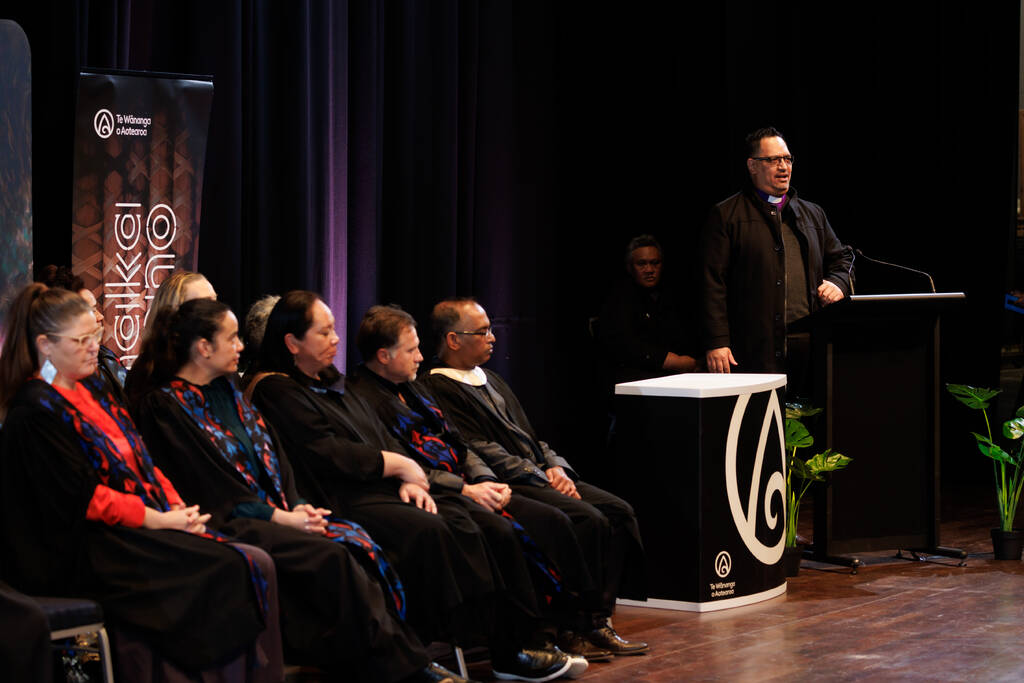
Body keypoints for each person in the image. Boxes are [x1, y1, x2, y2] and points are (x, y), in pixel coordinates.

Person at [130, 298, 472, 683]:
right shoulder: (167, 406)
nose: (241, 346)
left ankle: (391, 661)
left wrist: (299, 505)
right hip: (230, 520)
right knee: (333, 556)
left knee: (355, 541)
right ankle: (405, 668)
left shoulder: (229, 393)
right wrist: (280, 516)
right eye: (231, 339)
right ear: (204, 347)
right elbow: (209, 485)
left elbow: (278, 460)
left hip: (278, 512)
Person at [247, 291, 575, 682]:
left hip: (387, 484)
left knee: (489, 523)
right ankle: (424, 656)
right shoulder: (277, 389)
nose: (337, 338)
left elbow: (378, 434)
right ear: (292, 342)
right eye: (325, 332)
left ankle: (514, 645)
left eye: (334, 330)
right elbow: (327, 452)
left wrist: (412, 476)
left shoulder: (333, 380)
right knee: (434, 529)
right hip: (342, 495)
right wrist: (399, 465)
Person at [0, 284, 282, 681]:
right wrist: (158, 521)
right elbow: (84, 499)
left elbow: (142, 461)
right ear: (45, 345)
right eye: (80, 340)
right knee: (226, 567)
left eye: (93, 337)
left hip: (125, 526)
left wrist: (174, 509)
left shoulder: (93, 391)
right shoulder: (35, 411)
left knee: (246, 561)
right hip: (80, 545)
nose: (92, 347)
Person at [348, 304, 611, 662]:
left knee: (564, 517)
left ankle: (566, 628)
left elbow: (459, 443)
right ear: (383, 355)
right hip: (437, 490)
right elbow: (404, 461)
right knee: (520, 528)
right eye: (411, 350)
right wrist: (467, 489)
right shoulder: (363, 398)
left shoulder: (412, 389)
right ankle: (526, 641)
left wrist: (484, 478)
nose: (420, 356)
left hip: (473, 482)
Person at [422, 298, 649, 657]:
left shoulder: (490, 378)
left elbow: (529, 433)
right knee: (584, 519)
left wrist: (556, 466)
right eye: (482, 332)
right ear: (452, 339)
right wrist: (539, 475)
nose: (493, 338)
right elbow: (476, 447)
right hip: (509, 480)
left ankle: (598, 618)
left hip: (540, 472)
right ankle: (574, 625)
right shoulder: (438, 387)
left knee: (619, 512)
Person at [700, 126, 854, 382]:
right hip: (752, 349)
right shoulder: (726, 215)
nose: (783, 166)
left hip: (808, 345)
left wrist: (838, 283)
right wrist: (717, 341)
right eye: (773, 160)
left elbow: (844, 260)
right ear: (752, 166)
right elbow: (711, 283)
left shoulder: (812, 214)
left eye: (787, 159)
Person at [597, 235, 699, 387]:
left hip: (671, 378)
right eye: (642, 264)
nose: (649, 270)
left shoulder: (669, 295)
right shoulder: (620, 298)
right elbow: (625, 345)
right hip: (632, 381)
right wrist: (671, 361)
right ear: (629, 267)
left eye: (655, 263)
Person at [124, 270, 217, 406]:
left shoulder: (213, 362)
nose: (217, 311)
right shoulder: (149, 374)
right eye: (205, 304)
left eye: (215, 301)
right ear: (175, 313)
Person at [38, 264, 127, 401]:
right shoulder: (45, 394)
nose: (100, 317)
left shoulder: (105, 357)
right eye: (90, 311)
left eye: (96, 308)